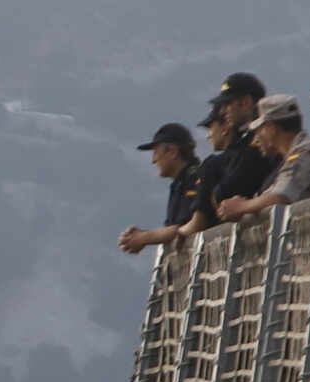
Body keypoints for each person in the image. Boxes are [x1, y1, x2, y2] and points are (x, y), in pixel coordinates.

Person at [218, 95, 310, 221]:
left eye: (258, 131)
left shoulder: (306, 151)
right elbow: (273, 195)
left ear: (271, 129)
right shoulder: (294, 156)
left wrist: (240, 206)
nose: (255, 140)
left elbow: (281, 196)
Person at [119, 123, 201, 253]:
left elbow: (184, 227)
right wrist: (141, 235)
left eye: (156, 153)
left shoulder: (195, 179)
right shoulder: (179, 184)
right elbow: (173, 228)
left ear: (172, 152)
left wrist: (144, 237)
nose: (153, 160)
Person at [209, 72, 279, 204]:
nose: (222, 111)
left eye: (227, 104)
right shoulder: (243, 142)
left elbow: (228, 192)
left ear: (246, 102)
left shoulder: (262, 141)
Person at [175, 106, 234, 236]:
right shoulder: (244, 156)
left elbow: (198, 224)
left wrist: (175, 234)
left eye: (211, 128)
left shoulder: (211, 165)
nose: (208, 136)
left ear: (224, 128)